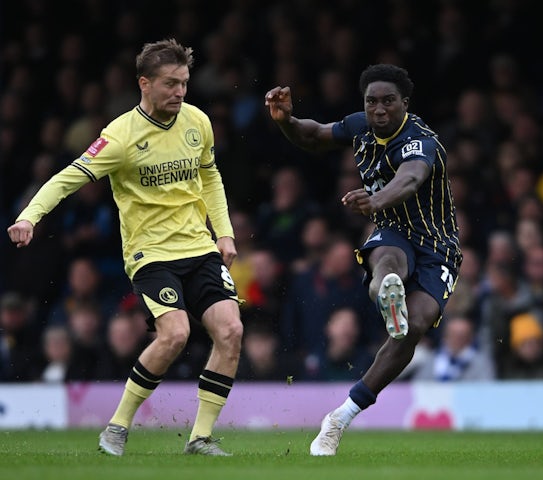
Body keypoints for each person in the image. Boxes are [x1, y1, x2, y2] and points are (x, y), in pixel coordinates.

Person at [7, 39, 242, 457]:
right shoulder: (120, 136)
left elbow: (211, 178)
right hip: (150, 254)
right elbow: (68, 177)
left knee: (231, 330)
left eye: (185, 83)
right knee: (176, 334)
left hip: (199, 247)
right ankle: (116, 427)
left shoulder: (197, 122)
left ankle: (201, 438)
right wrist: (30, 215)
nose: (180, 92)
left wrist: (223, 232)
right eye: (171, 84)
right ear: (144, 84)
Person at [265, 64, 462, 455]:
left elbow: (409, 179)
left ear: (405, 103)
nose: (380, 109)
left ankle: (340, 417)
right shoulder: (360, 126)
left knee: (414, 326)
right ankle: (386, 291)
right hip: (392, 231)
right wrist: (286, 120)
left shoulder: (420, 141)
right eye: (372, 101)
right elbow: (313, 135)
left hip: (438, 244)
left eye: (389, 101)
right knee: (387, 259)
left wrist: (374, 200)